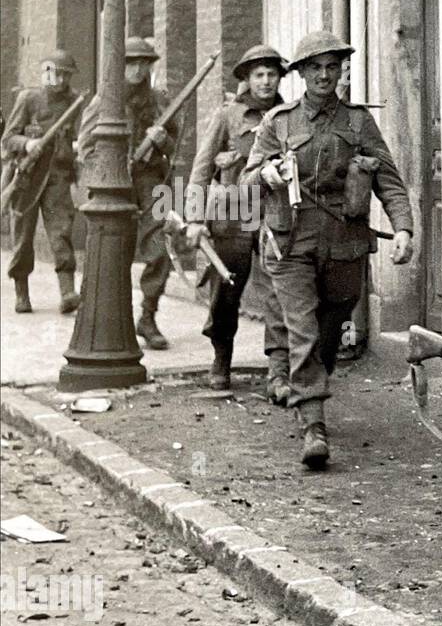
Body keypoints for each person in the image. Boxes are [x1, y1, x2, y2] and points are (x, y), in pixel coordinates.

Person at [240, 31, 413, 469]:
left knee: (334, 324)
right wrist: (268, 174)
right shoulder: (278, 123)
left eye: (331, 66)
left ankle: (310, 384)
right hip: (290, 241)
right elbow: (246, 180)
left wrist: (404, 228)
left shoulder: (358, 122)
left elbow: (387, 178)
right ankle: (314, 423)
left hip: (345, 243)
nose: (323, 74)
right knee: (303, 328)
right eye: (314, 67)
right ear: (299, 74)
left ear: (341, 71)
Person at [187, 43, 292, 396]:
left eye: (272, 74)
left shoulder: (289, 113)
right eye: (259, 75)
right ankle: (221, 359)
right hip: (233, 215)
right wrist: (195, 217)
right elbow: (201, 170)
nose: (266, 81)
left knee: (280, 291)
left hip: (275, 214)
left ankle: (278, 370)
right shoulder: (228, 116)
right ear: (247, 79)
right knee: (226, 291)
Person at [76, 36, 177, 349]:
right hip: (115, 182)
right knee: (113, 253)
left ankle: (148, 316)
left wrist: (161, 140)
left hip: (153, 184)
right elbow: (86, 149)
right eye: (131, 62)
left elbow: (175, 149)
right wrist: (107, 174)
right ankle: (110, 321)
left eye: (143, 63)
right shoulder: (104, 100)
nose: (137, 69)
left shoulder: (160, 100)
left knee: (160, 248)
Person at [2, 50, 82, 314]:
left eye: (64, 74)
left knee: (61, 233)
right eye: (53, 72)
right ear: (44, 72)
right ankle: (21, 291)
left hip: (58, 176)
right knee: (23, 237)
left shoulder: (74, 102)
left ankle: (68, 291)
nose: (58, 79)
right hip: (27, 176)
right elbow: (8, 139)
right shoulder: (29, 99)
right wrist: (28, 143)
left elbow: (80, 137)